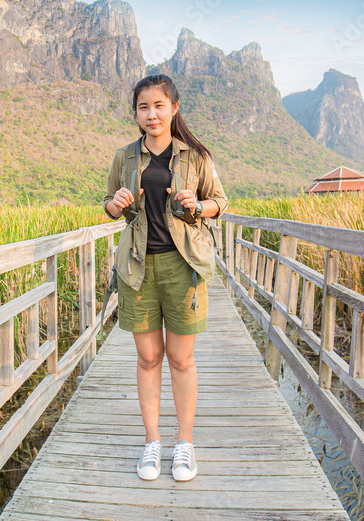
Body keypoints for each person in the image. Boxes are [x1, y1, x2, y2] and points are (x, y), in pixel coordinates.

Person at [102, 74, 228, 483]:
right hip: (137, 267)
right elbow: (108, 204)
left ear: (174, 108)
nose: (151, 114)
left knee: (180, 358)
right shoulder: (125, 157)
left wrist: (199, 204)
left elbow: (220, 202)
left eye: (159, 105)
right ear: (136, 113)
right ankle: (152, 442)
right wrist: (116, 203)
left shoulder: (195, 156)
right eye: (143, 107)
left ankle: (184, 444)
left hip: (182, 265)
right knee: (147, 358)